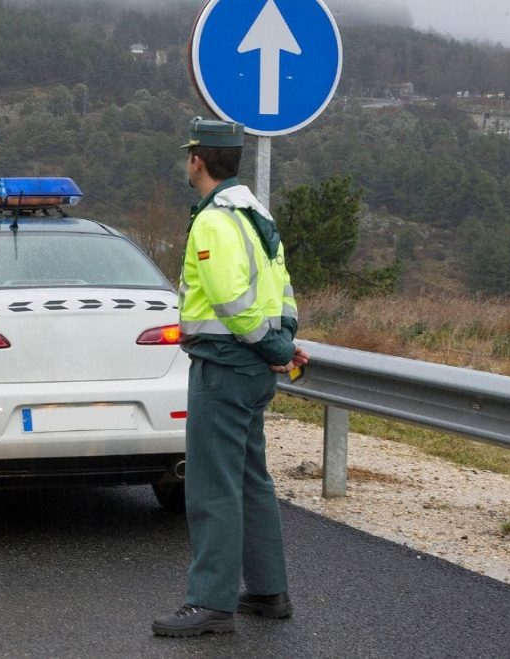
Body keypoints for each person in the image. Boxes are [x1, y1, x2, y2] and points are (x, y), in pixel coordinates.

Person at [152, 117, 309, 637]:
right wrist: (282, 342)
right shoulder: (256, 213)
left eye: (189, 155)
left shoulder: (213, 221)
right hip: (254, 367)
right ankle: (268, 591)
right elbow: (283, 289)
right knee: (249, 479)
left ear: (197, 160)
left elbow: (231, 301)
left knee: (211, 487)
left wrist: (274, 347)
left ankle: (210, 602)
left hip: (224, 366)